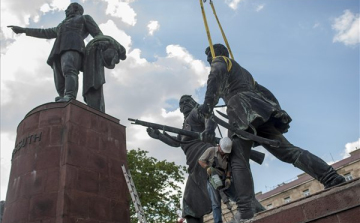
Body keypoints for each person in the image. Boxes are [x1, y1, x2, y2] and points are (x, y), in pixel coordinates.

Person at [198, 43, 346, 222]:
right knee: (288, 152)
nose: (208, 60)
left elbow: (214, 77)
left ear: (217, 53)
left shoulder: (221, 61)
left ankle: (246, 209)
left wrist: (207, 105)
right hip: (258, 110)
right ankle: (330, 177)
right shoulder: (244, 72)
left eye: (209, 56)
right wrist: (275, 109)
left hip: (240, 109)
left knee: (238, 160)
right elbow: (264, 92)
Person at [8, 2, 103, 102]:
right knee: (59, 79)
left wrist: (102, 44)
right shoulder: (61, 25)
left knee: (69, 70)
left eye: (68, 8)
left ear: (76, 9)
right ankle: (63, 97)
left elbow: (98, 34)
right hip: (58, 51)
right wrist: (24, 30)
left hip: (74, 47)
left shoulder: (84, 18)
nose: (66, 11)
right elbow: (45, 32)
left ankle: (70, 96)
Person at [147, 95, 216, 223]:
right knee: (189, 202)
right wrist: (159, 136)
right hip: (193, 165)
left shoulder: (196, 113)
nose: (184, 104)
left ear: (193, 102)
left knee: (217, 188)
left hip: (204, 158)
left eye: (187, 101)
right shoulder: (185, 125)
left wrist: (209, 130)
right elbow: (176, 142)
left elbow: (208, 116)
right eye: (181, 103)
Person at [199, 137, 265, 223]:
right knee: (216, 204)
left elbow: (229, 168)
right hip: (212, 180)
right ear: (219, 146)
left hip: (223, 179)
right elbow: (200, 160)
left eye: (225, 151)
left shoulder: (228, 154)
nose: (223, 153)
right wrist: (207, 167)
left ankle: (244, 213)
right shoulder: (211, 151)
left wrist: (228, 178)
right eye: (222, 151)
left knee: (238, 196)